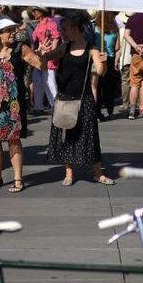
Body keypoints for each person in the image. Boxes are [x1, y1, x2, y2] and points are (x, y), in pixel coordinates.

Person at [0, 17, 47, 193]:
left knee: (13, 140)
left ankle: (18, 178)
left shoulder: (20, 48)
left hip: (12, 102)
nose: (14, 33)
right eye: (9, 30)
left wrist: (43, 55)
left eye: (14, 29)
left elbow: (40, 65)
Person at [45, 11, 115, 186]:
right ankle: (69, 173)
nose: (62, 32)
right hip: (65, 98)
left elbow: (100, 72)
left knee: (91, 137)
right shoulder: (64, 47)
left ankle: (97, 173)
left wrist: (104, 61)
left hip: (84, 99)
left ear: (76, 29)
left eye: (65, 29)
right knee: (66, 134)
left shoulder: (92, 49)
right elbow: (44, 59)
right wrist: (42, 52)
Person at [30, 6, 60, 114]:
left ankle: (55, 106)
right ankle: (39, 107)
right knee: (37, 80)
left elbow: (56, 37)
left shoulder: (50, 22)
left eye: (35, 11)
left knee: (49, 82)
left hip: (48, 55)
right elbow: (34, 40)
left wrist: (53, 52)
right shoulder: (38, 24)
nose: (33, 13)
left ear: (41, 12)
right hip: (39, 55)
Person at [93, 11, 120, 120]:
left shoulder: (95, 29)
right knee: (109, 86)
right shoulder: (115, 29)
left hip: (97, 58)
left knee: (97, 86)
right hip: (109, 58)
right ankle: (110, 109)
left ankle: (98, 111)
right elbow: (117, 47)